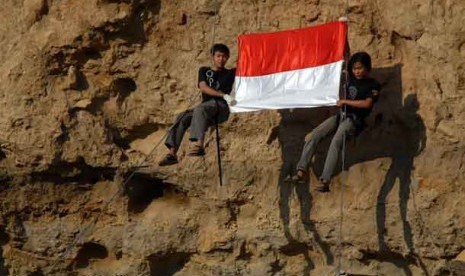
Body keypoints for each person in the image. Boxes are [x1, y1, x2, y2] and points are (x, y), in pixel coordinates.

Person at [291, 52, 381, 192]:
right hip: (341, 116)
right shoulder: (348, 78)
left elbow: (367, 104)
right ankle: (301, 170)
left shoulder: (373, 85)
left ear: (367, 67)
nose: (357, 71)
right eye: (354, 68)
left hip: (354, 120)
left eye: (360, 68)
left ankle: (325, 180)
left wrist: (345, 101)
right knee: (315, 134)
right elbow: (340, 67)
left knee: (336, 141)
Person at [158, 43, 236, 166]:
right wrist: (223, 94)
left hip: (221, 107)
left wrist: (225, 98)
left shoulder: (231, 73)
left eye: (225, 57)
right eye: (218, 56)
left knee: (200, 108)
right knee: (182, 117)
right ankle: (172, 154)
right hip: (208, 107)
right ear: (213, 56)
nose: (221, 59)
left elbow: (249, 67)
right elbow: (203, 87)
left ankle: (199, 145)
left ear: (228, 57)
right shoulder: (204, 71)